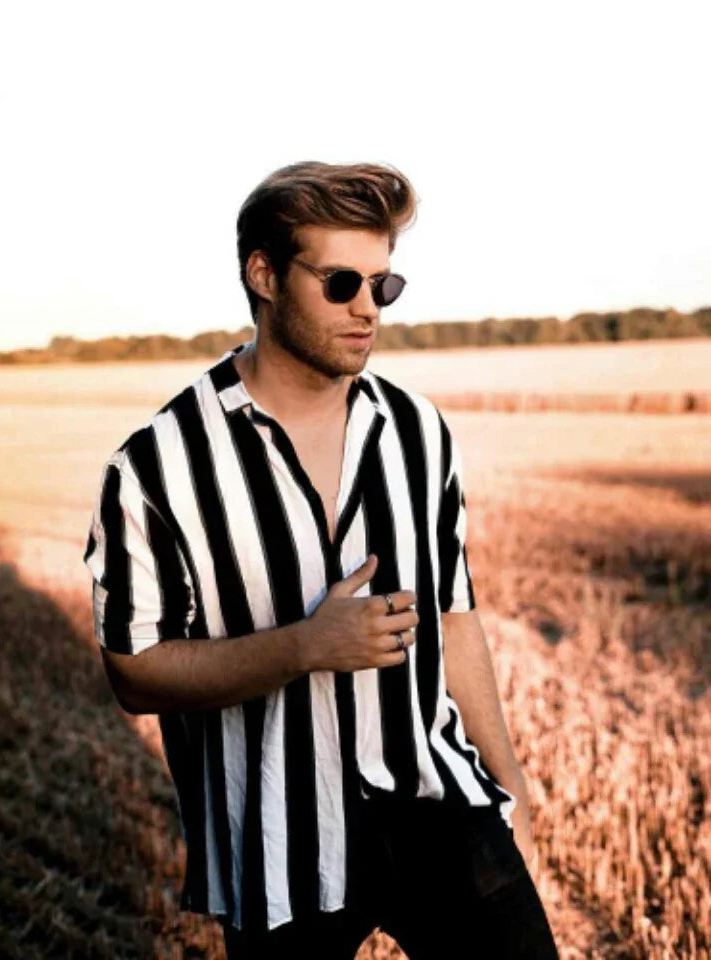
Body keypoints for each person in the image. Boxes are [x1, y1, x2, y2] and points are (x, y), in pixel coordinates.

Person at [83, 160, 559, 958]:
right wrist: (304, 646)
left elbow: (454, 616)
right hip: (276, 839)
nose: (369, 309)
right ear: (264, 275)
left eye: (385, 285)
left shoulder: (419, 432)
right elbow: (134, 672)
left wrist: (506, 786)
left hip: (437, 801)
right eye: (342, 283)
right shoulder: (157, 466)